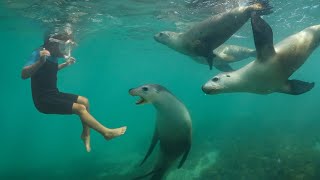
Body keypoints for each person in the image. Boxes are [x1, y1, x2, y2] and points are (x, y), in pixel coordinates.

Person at [21, 32, 127, 152]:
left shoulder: (53, 56)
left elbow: (49, 70)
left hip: (53, 94)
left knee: (85, 101)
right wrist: (40, 62)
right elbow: (24, 74)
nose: (64, 50)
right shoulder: (38, 53)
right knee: (80, 108)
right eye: (62, 47)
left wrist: (65, 65)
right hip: (43, 100)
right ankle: (106, 133)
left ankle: (86, 134)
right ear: (52, 44)